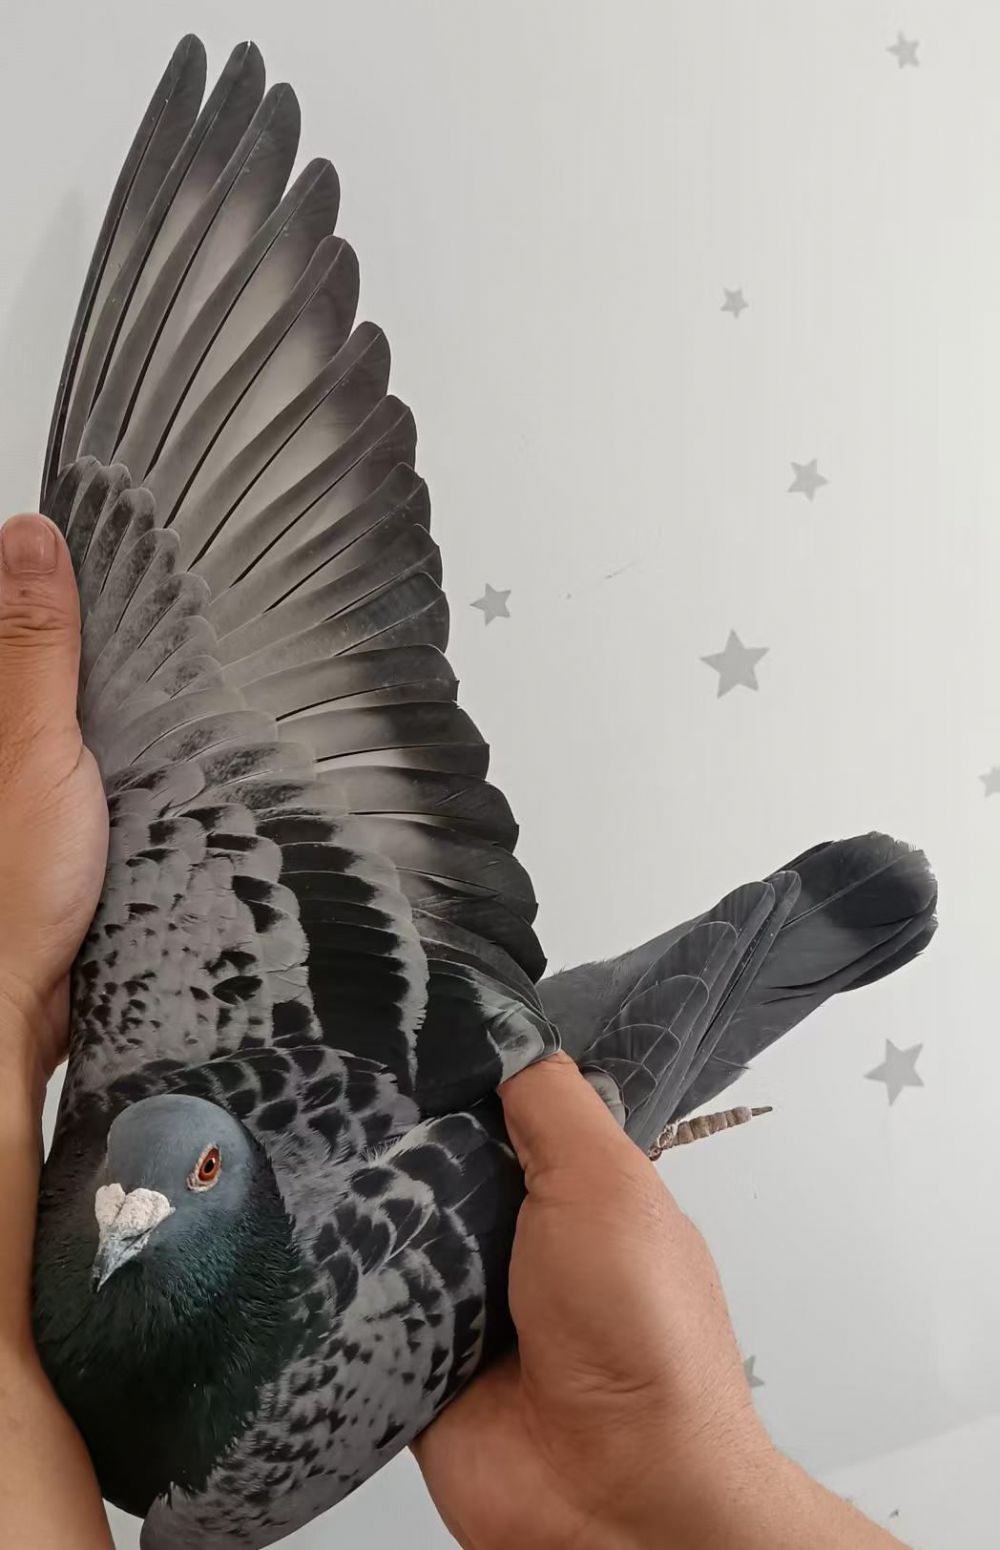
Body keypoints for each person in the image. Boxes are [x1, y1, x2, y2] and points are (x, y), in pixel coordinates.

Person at [0, 511, 905, 1550]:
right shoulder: (231, 1470)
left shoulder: (199, 1464)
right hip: (476, 1082)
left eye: (187, 1177)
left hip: (477, 1081)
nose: (122, 1217)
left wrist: (18, 981)